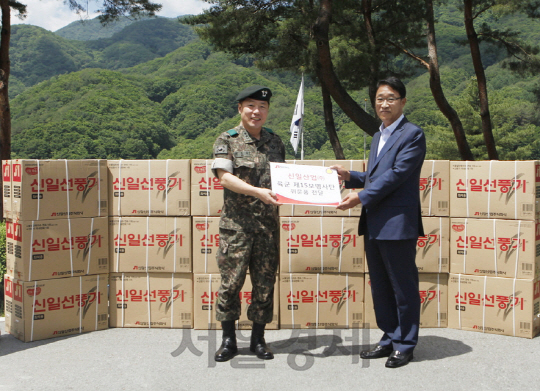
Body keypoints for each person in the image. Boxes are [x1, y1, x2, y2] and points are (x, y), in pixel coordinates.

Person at [331, 76, 426, 368]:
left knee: (402, 286)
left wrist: (360, 197)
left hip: (397, 223)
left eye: (391, 98)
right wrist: (351, 178)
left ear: (403, 102)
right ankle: (389, 337)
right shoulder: (378, 135)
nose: (384, 104)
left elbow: (397, 175)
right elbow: (376, 176)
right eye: (380, 99)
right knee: (381, 286)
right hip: (374, 222)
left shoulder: (412, 134)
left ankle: (405, 344)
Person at [210, 85, 285, 362]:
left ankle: (258, 339)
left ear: (267, 111)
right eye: (251, 106)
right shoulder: (226, 140)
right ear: (240, 109)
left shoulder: (276, 142)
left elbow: (285, 179)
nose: (257, 111)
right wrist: (257, 192)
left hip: (267, 228)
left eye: (262, 107)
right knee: (231, 283)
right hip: (237, 228)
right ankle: (228, 340)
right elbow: (224, 178)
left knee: (265, 285)